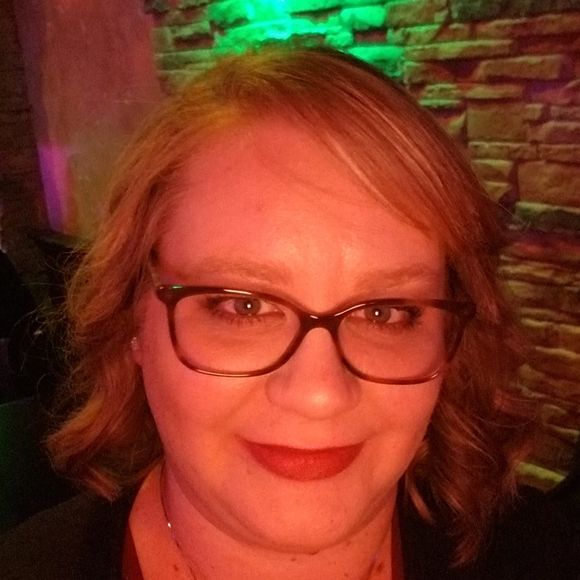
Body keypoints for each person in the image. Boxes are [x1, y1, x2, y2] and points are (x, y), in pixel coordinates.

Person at [1, 45, 578, 580]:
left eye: (385, 313)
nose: (319, 394)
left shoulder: (538, 553)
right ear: (133, 317)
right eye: (243, 305)